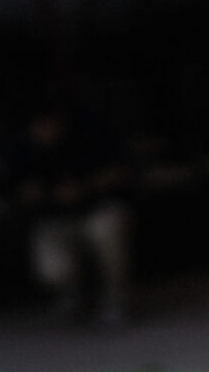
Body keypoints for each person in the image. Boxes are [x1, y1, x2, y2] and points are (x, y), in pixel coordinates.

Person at [8, 88, 133, 324]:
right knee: (52, 271)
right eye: (39, 126)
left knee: (108, 229)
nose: (45, 131)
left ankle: (115, 296)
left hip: (95, 211)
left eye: (49, 124)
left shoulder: (88, 133)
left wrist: (84, 188)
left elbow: (122, 169)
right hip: (53, 220)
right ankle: (72, 290)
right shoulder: (22, 146)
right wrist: (32, 195)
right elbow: (16, 189)